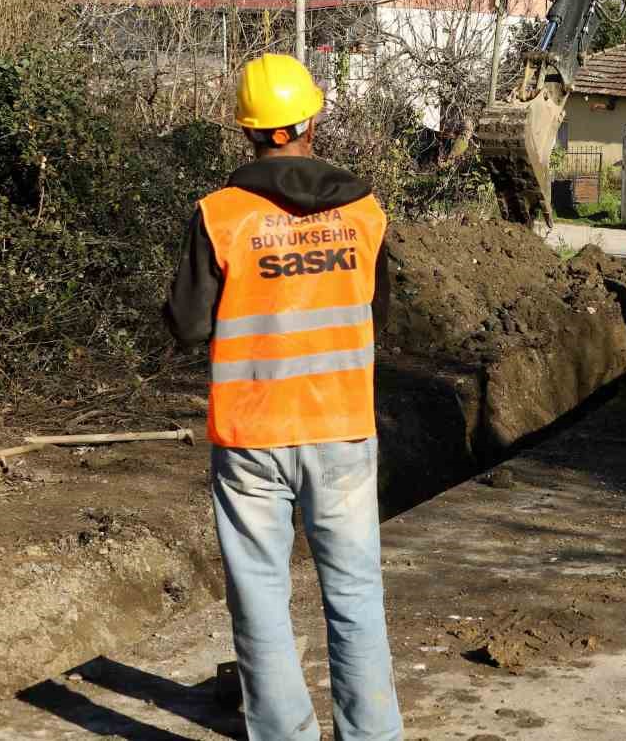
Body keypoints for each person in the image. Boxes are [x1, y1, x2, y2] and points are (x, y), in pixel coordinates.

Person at [165, 53, 401, 740]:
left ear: (247, 130)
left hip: (251, 436)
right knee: (356, 593)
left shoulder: (220, 215)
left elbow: (185, 323)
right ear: (309, 119)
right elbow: (375, 315)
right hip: (343, 428)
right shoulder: (363, 211)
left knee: (261, 597)